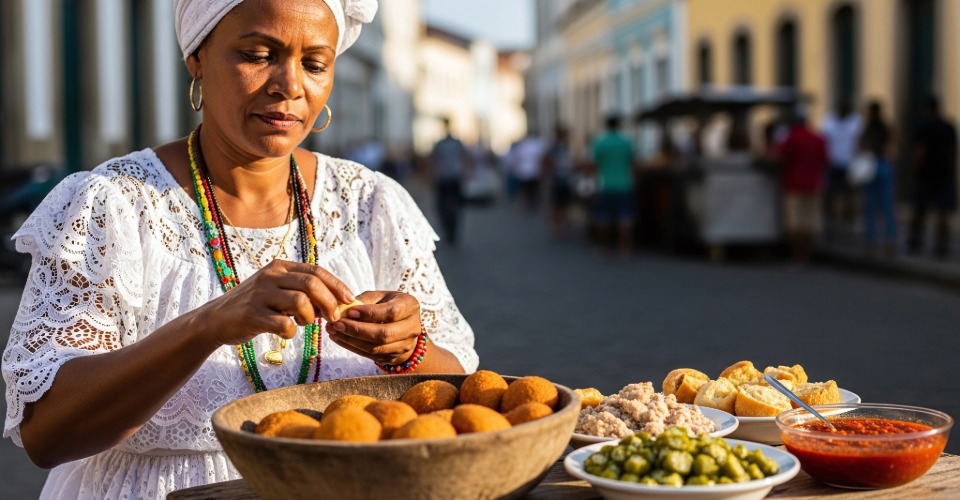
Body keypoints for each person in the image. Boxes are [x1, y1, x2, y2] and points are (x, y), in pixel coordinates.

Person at [1, 1, 478, 498]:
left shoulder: (373, 205)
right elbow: (46, 432)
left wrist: (408, 349)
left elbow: (466, 394)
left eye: (314, 64)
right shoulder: (111, 205)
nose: (290, 85)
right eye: (256, 54)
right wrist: (205, 325)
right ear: (197, 60)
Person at [907, 96, 958, 257]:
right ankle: (941, 246)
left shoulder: (923, 126)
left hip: (926, 174)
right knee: (942, 212)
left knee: (919, 210)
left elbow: (919, 151)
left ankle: (915, 241)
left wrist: (914, 169)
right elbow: (953, 152)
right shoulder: (948, 127)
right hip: (944, 173)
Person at [777, 111, 828, 267]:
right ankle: (806, 257)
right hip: (814, 184)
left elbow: (781, 158)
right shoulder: (818, 138)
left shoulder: (791, 138)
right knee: (810, 223)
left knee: (794, 223)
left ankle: (797, 257)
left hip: (794, 185)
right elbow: (825, 161)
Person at [591, 115, 637, 258]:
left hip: (605, 184)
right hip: (624, 184)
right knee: (625, 218)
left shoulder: (600, 143)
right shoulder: (626, 142)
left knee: (604, 219)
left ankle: (605, 248)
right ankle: (625, 249)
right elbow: (633, 162)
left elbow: (594, 163)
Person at [858, 100, 899, 256]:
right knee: (886, 205)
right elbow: (894, 145)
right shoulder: (885, 127)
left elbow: (860, 146)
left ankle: (872, 239)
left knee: (870, 205)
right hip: (883, 164)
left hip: (873, 165)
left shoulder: (868, 128)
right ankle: (889, 239)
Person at [820, 100, 862, 241]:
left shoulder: (856, 122)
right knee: (830, 194)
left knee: (849, 195)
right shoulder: (828, 121)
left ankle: (847, 224)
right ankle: (830, 224)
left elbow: (860, 141)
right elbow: (823, 140)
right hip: (832, 164)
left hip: (850, 165)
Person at [430, 118, 471, 245]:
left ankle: (451, 232)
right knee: (445, 207)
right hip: (447, 178)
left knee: (451, 206)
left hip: (450, 177)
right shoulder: (447, 144)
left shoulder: (447, 144)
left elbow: (465, 159)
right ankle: (449, 232)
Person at [542, 127, 575, 239]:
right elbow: (545, 161)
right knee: (555, 203)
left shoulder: (566, 147)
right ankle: (555, 225)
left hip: (565, 179)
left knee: (564, 203)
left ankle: (560, 224)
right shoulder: (553, 147)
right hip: (557, 179)